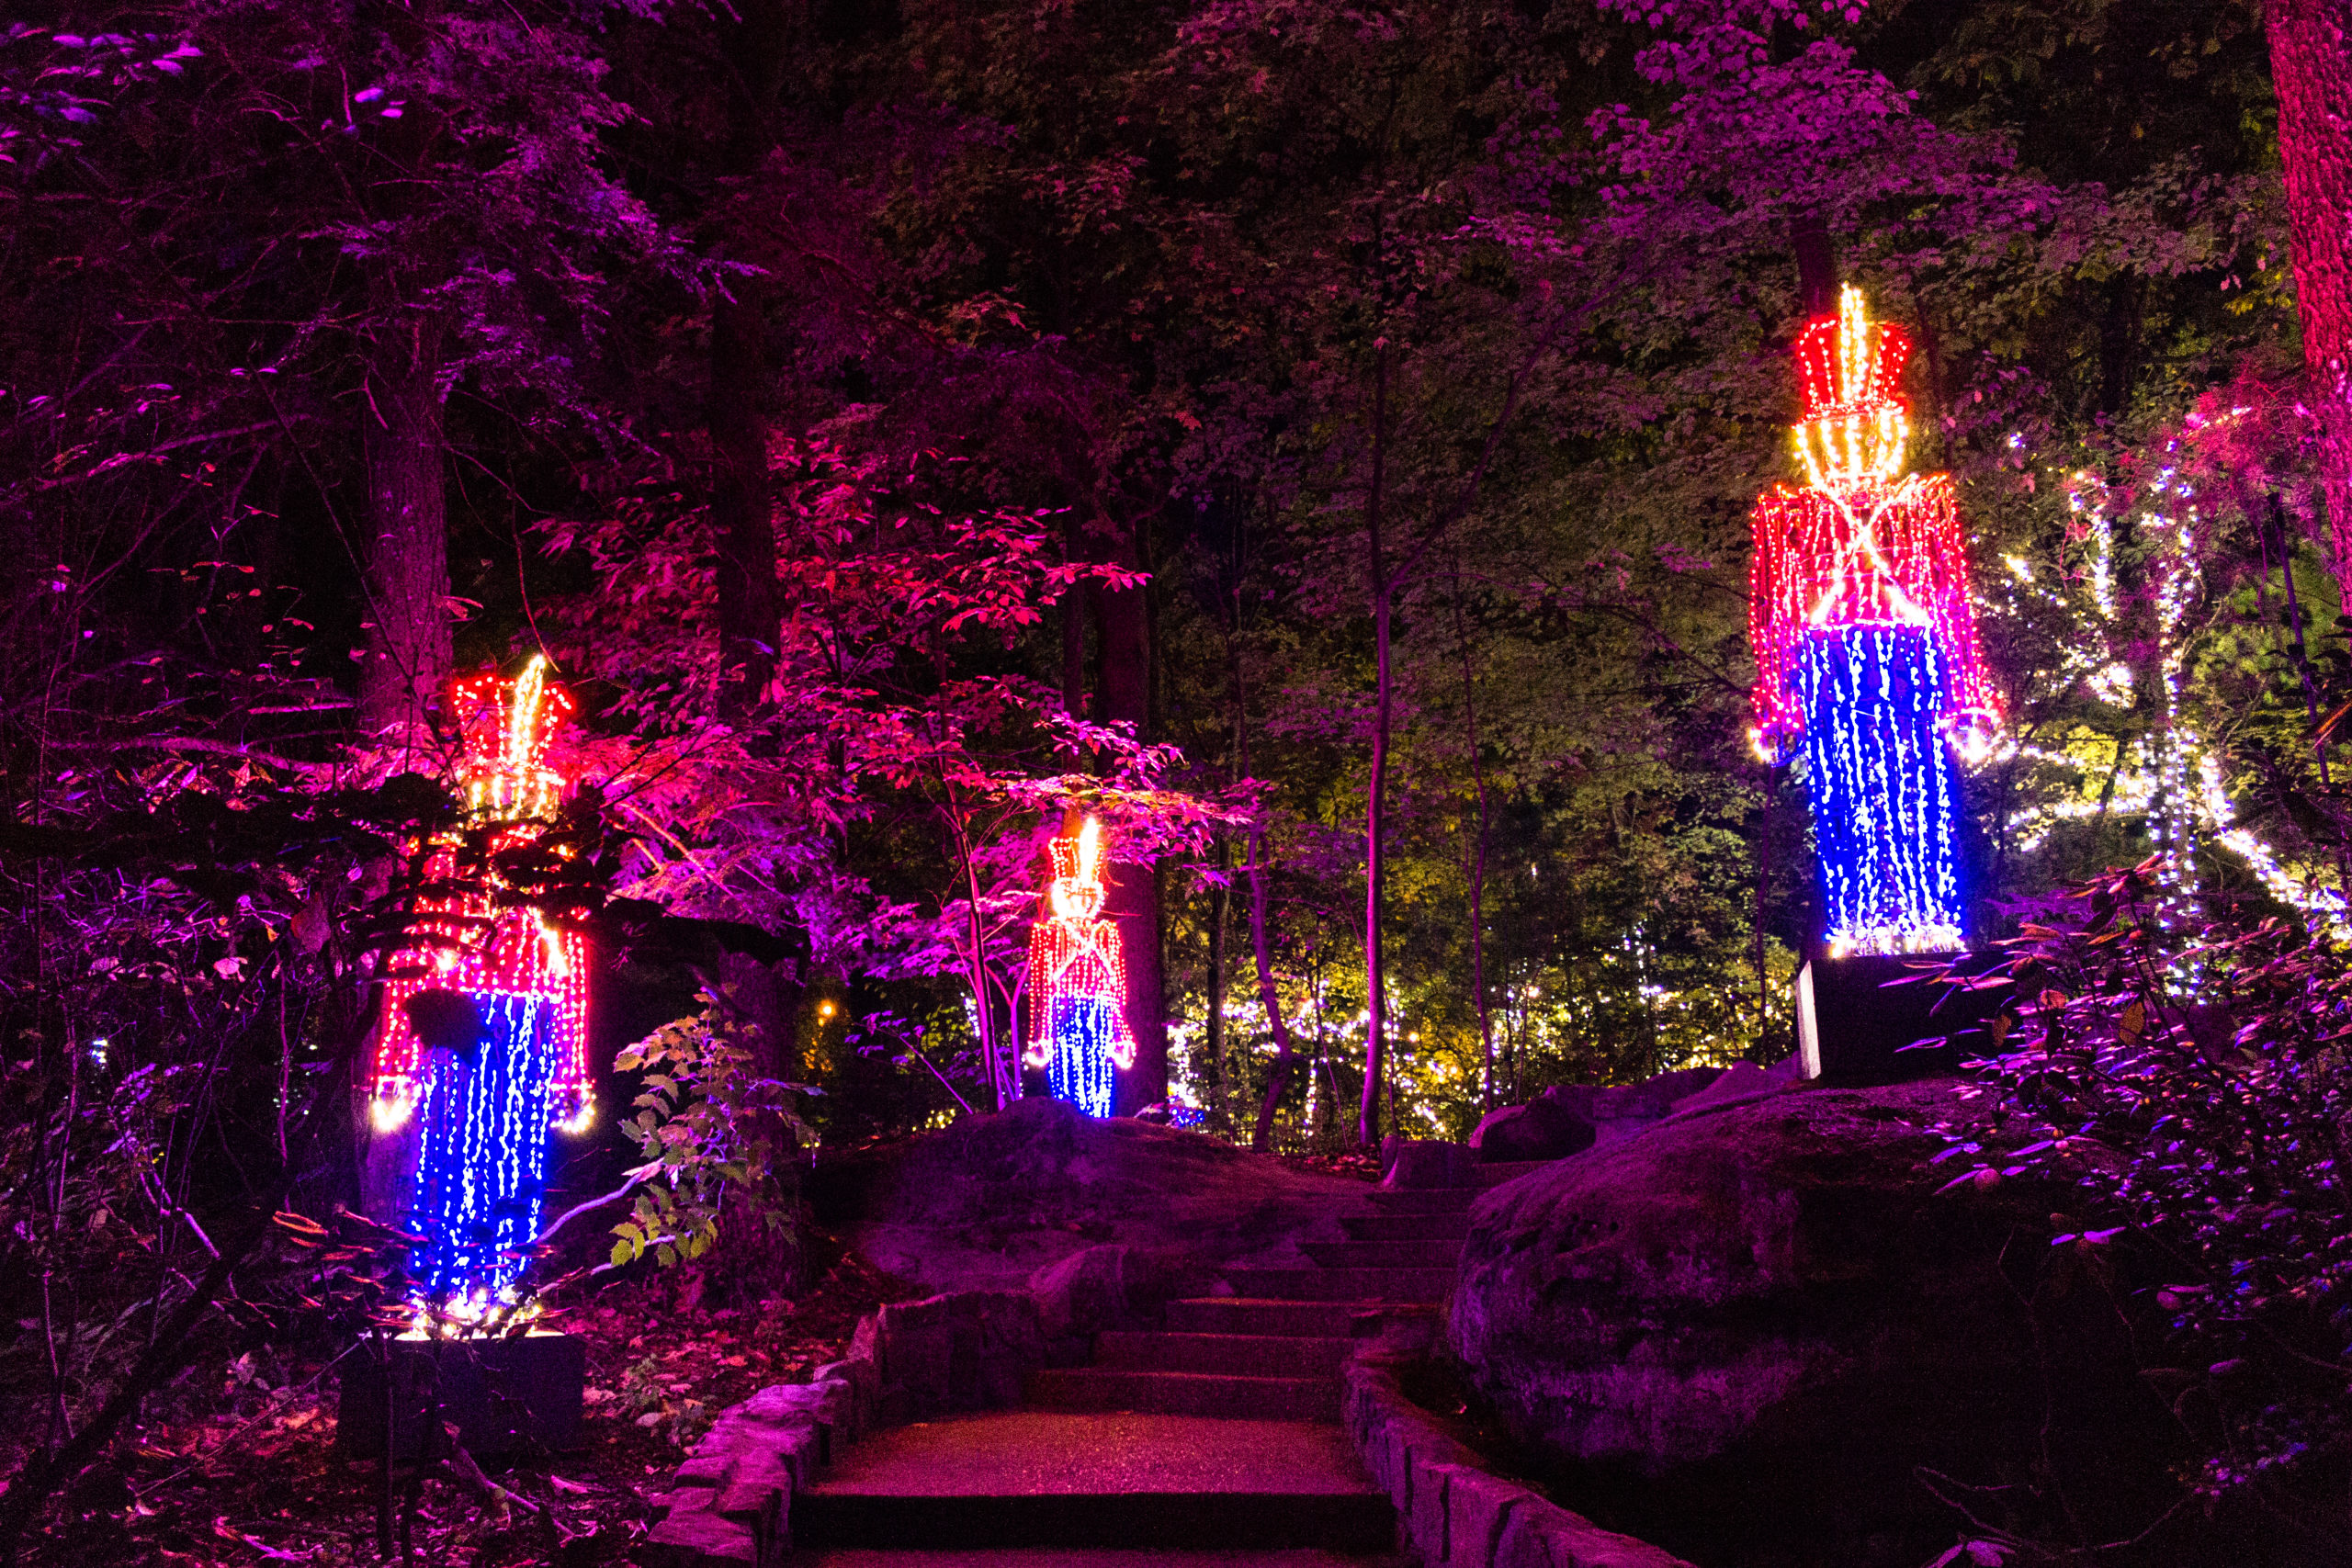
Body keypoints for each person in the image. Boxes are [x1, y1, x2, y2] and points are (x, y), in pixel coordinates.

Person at [1749, 287, 2002, 956]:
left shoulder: (1924, 503)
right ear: (1815, 438)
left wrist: (1968, 694)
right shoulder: (1790, 514)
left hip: (1911, 661)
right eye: (1837, 432)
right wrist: (1777, 702)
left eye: (1869, 428)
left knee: (1919, 797)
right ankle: (1859, 931)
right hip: (1828, 667)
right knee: (1845, 800)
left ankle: (1930, 925)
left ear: (1892, 429)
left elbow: (1954, 603)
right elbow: (1776, 617)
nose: (1854, 443)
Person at [1023, 816, 1136, 1117]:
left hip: (1100, 1009)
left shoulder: (1107, 933)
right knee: (1066, 1071)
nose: (1083, 901)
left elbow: (1117, 990)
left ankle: (1097, 1124)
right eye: (1075, 893)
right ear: (1064, 894)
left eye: (1088, 894)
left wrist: (1121, 1031)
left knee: (1098, 1073)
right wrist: (1039, 1033)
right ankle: (1069, 1122)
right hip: (1062, 1007)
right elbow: (1040, 987)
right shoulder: (1048, 933)